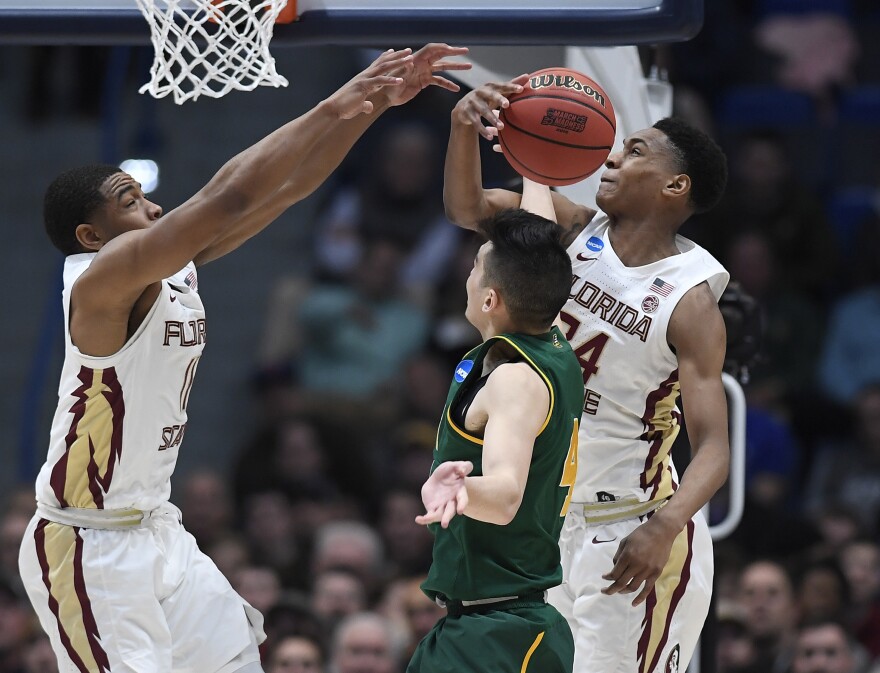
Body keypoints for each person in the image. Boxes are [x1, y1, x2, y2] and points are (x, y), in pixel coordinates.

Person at [17, 44, 471, 673]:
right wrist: (329, 106)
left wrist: (370, 110)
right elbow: (228, 195)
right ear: (91, 236)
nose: (151, 207)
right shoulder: (101, 277)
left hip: (155, 525)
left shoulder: (167, 265)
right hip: (86, 543)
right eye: (129, 200)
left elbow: (288, 189)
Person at [444, 78, 731, 672]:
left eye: (635, 152)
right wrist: (463, 129)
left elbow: (714, 448)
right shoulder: (571, 233)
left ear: (675, 186)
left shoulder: (690, 299)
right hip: (551, 524)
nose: (612, 157)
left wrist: (664, 527)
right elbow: (468, 209)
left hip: (631, 527)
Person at [408, 209, 584, 673]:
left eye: (473, 268)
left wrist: (459, 490)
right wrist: (532, 159)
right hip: (486, 625)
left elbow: (506, 494)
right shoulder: (555, 343)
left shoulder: (514, 382)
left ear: (489, 299)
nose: (465, 275)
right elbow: (538, 254)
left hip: (500, 635)